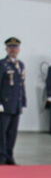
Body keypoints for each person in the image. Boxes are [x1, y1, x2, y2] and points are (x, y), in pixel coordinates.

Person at [0, 36, 27, 165]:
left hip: (16, 104)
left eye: (15, 47)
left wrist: (23, 101)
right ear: (6, 49)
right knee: (2, 132)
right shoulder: (2, 64)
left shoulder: (20, 65)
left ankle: (9, 156)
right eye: (11, 47)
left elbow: (21, 85)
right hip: (4, 104)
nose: (13, 50)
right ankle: (2, 157)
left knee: (12, 132)